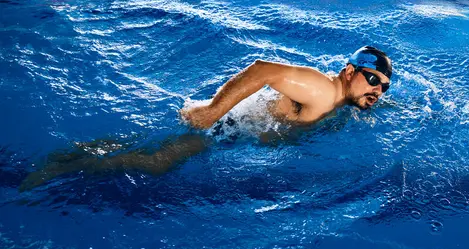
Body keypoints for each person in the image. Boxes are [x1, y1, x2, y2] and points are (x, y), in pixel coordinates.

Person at [19, 46, 392, 191]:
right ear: (348, 71)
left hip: (238, 131)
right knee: (155, 162)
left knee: (148, 151)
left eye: (384, 87)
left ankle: (71, 157)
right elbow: (262, 69)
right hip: (227, 127)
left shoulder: (343, 101)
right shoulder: (321, 90)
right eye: (372, 79)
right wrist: (212, 110)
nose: (376, 89)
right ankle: (60, 168)